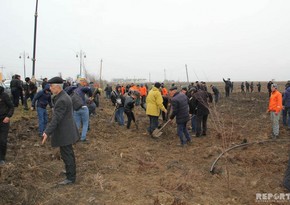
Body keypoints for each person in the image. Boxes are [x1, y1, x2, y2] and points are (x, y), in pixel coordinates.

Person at [42, 76, 79, 185]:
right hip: (67, 130)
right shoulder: (62, 96)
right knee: (68, 154)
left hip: (65, 132)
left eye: (51, 86)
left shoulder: (62, 100)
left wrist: (47, 132)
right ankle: (70, 171)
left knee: (67, 154)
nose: (50, 89)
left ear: (58, 87)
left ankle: (70, 178)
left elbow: (56, 119)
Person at [73, 78, 92, 142]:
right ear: (83, 82)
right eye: (85, 83)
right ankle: (83, 138)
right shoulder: (82, 88)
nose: (86, 84)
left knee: (77, 124)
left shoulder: (74, 89)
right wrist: (90, 96)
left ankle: (75, 137)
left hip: (76, 109)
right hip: (83, 108)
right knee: (85, 123)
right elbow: (89, 89)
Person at [0, 85, 14, 165]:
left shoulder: (4, 95)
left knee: (2, 140)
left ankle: (2, 158)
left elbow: (11, 107)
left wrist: (8, 116)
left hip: (3, 121)